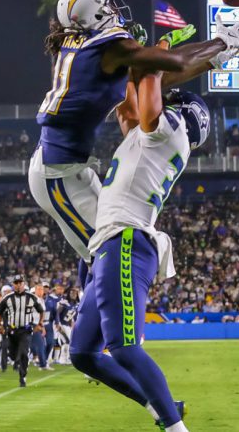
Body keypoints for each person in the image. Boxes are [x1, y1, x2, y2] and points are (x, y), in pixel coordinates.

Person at [29, 0, 239, 292]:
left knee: (100, 248)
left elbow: (152, 81)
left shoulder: (83, 42)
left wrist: (212, 59)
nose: (115, 9)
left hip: (67, 167)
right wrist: (219, 44)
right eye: (108, 5)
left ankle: (89, 316)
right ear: (95, 14)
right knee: (105, 252)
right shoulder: (109, 47)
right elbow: (168, 64)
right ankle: (91, 320)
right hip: (58, 175)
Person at [70, 36, 212, 431]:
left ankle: (175, 427)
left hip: (127, 240)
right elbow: (127, 103)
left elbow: (148, 77)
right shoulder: (153, 136)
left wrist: (158, 49)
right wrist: (132, 62)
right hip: (110, 241)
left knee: (123, 346)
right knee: (83, 353)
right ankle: (162, 406)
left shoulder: (169, 132)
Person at [0, 275, 44, 388]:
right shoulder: (7, 298)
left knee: (23, 353)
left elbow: (41, 311)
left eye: (20, 283)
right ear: (13, 285)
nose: (18, 285)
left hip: (26, 330)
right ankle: (16, 360)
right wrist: (0, 325)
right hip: (12, 331)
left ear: (24, 284)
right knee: (13, 354)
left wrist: (40, 324)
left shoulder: (31, 297)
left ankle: (22, 377)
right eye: (16, 283)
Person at [29, 284, 51, 371]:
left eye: (41, 289)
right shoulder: (33, 299)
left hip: (37, 324)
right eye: (38, 289)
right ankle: (42, 364)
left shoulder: (41, 300)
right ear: (35, 290)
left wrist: (42, 326)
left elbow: (41, 315)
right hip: (32, 324)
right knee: (40, 344)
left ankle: (41, 363)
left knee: (36, 344)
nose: (41, 291)